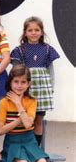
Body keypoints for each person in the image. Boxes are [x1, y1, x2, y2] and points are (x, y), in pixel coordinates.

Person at [0, 65, 49, 162]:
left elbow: (28, 124)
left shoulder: (31, 101)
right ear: (10, 83)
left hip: (29, 141)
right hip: (13, 142)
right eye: (16, 82)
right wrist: (19, 119)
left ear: (28, 84)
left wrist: (19, 105)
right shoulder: (4, 103)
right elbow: (1, 130)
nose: (19, 86)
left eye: (23, 82)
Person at [10, 16, 60, 146]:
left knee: (38, 119)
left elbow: (50, 70)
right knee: (25, 118)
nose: (33, 32)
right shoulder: (20, 50)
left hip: (42, 89)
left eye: (36, 30)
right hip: (25, 88)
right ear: (25, 32)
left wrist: (51, 88)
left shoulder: (47, 49)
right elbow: (15, 71)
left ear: (42, 32)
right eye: (30, 30)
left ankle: (35, 146)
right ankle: (23, 144)